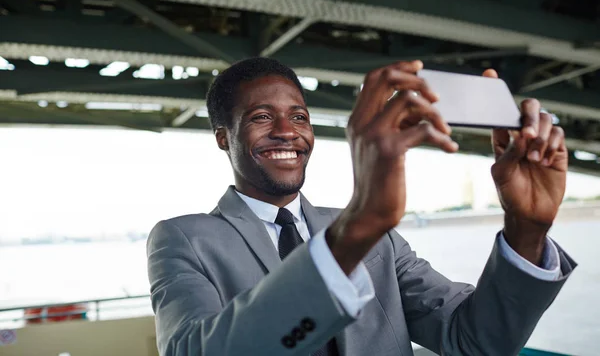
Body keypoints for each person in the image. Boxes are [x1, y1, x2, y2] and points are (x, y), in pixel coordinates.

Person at [147, 57, 576, 356]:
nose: (286, 132)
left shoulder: (377, 238)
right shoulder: (183, 238)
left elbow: (475, 342)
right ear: (223, 137)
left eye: (299, 117)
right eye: (261, 117)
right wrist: (358, 227)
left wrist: (526, 229)